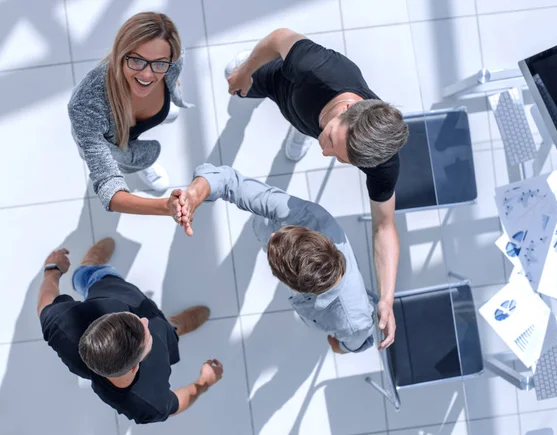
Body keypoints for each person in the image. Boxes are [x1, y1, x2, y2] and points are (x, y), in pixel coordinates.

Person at [222, 28, 407, 349]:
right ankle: (249, 75)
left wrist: (387, 297)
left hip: (307, 116)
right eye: (334, 142)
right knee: (234, 77)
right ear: (348, 109)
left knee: (310, 132)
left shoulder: (381, 162)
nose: (326, 153)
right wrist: (244, 72)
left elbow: (385, 227)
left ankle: (303, 133)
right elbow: (278, 37)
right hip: (282, 84)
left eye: (340, 158)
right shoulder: (317, 68)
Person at [170, 163, 376, 353]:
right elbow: (229, 182)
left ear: (289, 281)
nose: (272, 234)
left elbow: (348, 345)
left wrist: (338, 346)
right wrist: (195, 194)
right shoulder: (310, 217)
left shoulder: (354, 322)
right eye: (284, 234)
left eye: (274, 259)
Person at [37, 239, 223, 424]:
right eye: (144, 331)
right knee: (163, 327)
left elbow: (45, 304)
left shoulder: (62, 328)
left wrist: (52, 270)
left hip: (105, 286)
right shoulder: (147, 404)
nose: (144, 320)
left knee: (86, 276)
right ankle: (174, 326)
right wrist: (204, 383)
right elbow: (177, 402)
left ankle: (90, 265)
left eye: (126, 317)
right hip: (160, 330)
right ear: (135, 367)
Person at [68, 12, 192, 218]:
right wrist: (165, 207)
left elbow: (173, 73)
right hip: (110, 139)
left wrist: (171, 88)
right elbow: (108, 183)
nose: (146, 75)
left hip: (135, 120)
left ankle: (162, 110)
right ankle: (135, 164)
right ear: (120, 53)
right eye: (136, 60)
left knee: (163, 108)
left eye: (160, 64)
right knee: (122, 156)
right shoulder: (85, 104)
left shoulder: (175, 60)